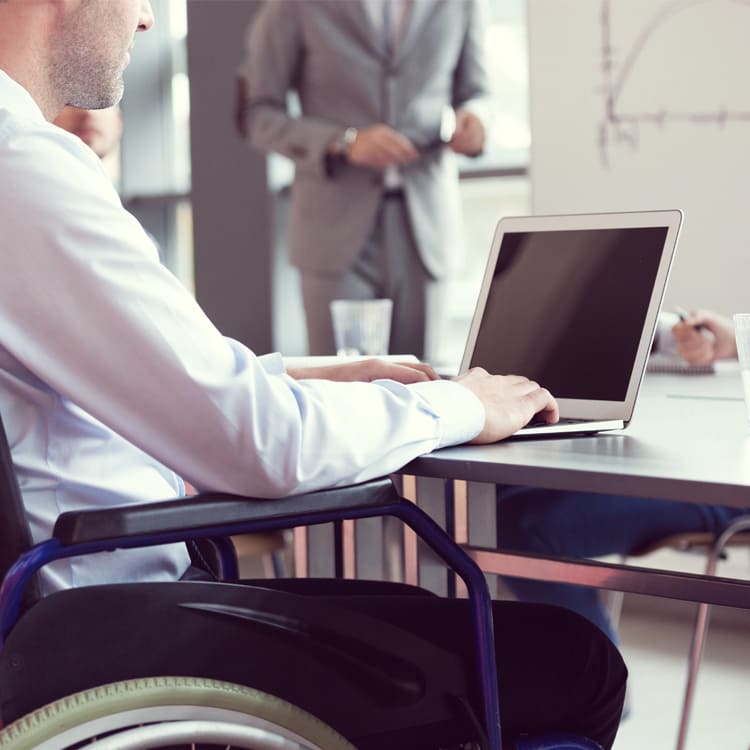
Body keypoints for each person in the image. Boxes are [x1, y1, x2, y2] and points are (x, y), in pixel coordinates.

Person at [0, 1, 626, 746]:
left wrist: (313, 374)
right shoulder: (23, 168)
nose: (145, 20)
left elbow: (102, 379)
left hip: (72, 603)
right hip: (102, 618)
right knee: (575, 661)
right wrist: (459, 405)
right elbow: (265, 444)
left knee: (444, 618)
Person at [237, 0, 492, 358]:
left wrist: (477, 119)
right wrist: (344, 141)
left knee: (427, 385)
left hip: (425, 228)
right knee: (340, 391)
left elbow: (477, 92)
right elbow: (255, 113)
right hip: (333, 230)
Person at [495, 309, 748, 645]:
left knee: (525, 526)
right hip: (716, 452)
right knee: (485, 495)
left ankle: (601, 694)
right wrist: (728, 340)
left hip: (733, 476)